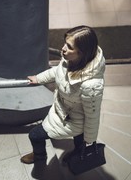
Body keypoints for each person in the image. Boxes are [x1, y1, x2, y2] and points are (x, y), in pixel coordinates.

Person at [20, 25, 105, 164]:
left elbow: (92, 115)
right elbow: (57, 72)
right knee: (79, 139)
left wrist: (90, 139)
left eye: (70, 47)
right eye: (65, 43)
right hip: (64, 110)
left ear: (82, 53)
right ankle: (78, 149)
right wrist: (38, 78)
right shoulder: (70, 60)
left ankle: (40, 157)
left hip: (73, 120)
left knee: (35, 135)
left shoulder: (91, 85)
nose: (63, 48)